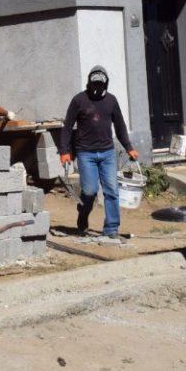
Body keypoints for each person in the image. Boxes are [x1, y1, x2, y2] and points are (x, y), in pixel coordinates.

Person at [59, 66, 138, 241]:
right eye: (94, 83)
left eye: (101, 84)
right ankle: (83, 214)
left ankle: (111, 228)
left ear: (106, 84)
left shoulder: (111, 101)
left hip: (107, 153)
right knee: (89, 191)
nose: (97, 87)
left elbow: (120, 127)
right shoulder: (79, 100)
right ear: (89, 82)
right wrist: (64, 152)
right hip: (86, 154)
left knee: (112, 191)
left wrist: (129, 147)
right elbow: (67, 127)